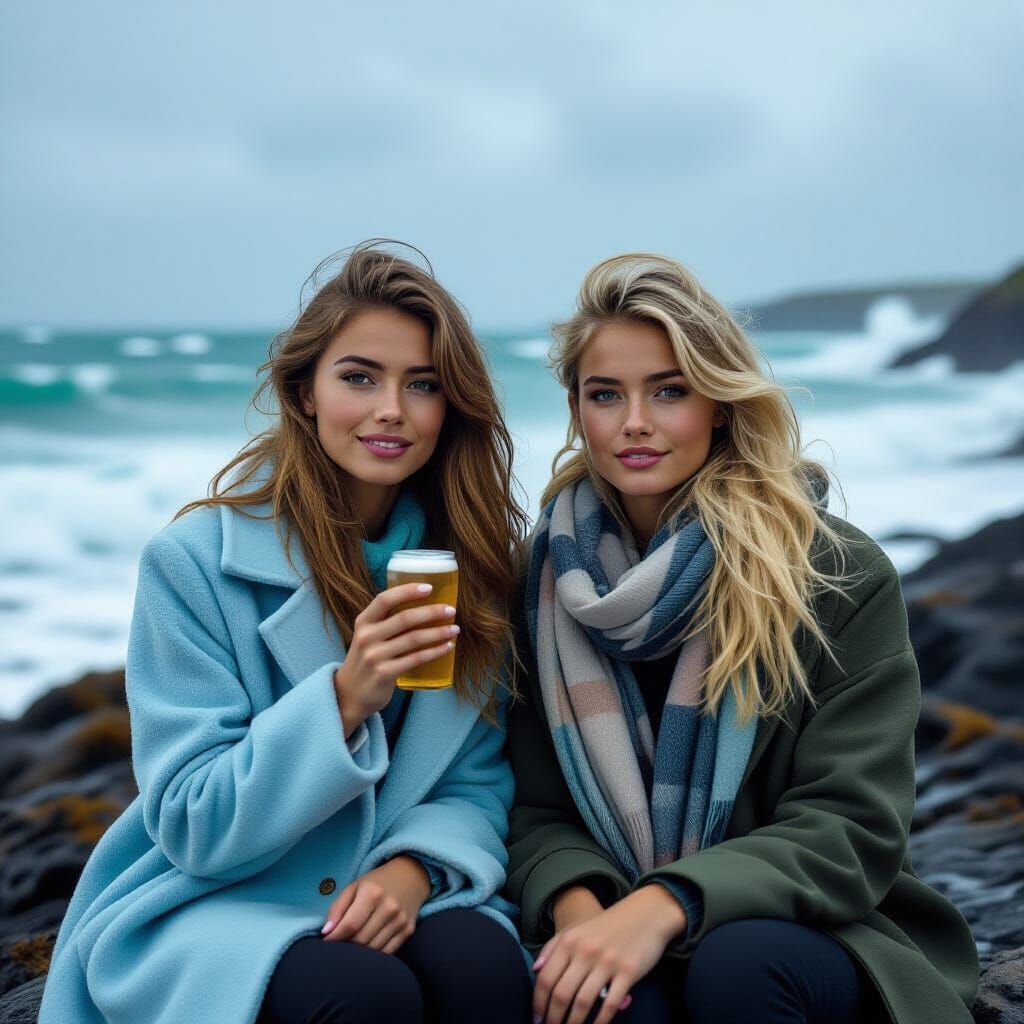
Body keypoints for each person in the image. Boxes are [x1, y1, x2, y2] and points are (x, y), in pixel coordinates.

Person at [39, 241, 533, 1024]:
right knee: (362, 996)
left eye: (424, 385)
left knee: (483, 968)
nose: (391, 411)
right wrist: (343, 699)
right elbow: (193, 823)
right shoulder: (193, 563)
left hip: (383, 882)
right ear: (303, 392)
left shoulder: (469, 569)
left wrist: (415, 871)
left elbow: (473, 785)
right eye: (359, 377)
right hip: (218, 898)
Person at [505, 254, 979, 1024]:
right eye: (605, 395)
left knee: (737, 965)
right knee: (606, 999)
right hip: (619, 914)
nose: (634, 422)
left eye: (669, 391)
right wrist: (579, 912)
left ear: (719, 404)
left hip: (814, 929)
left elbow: (850, 826)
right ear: (575, 408)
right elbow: (535, 807)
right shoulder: (546, 582)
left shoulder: (831, 572)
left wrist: (666, 905)